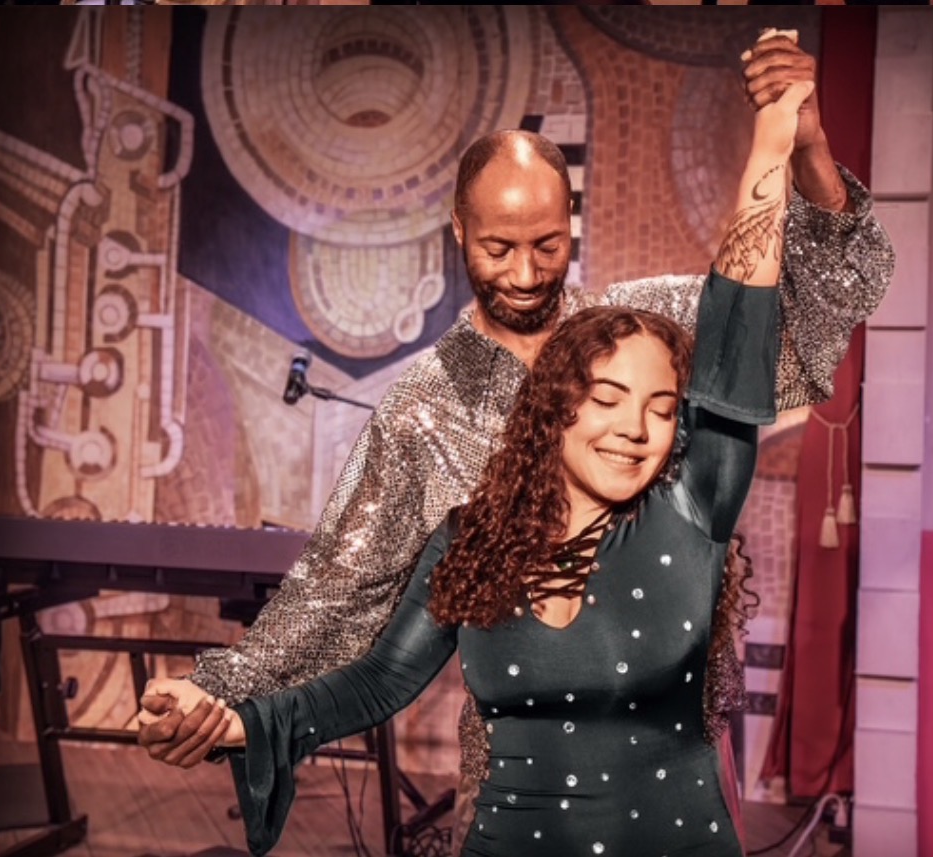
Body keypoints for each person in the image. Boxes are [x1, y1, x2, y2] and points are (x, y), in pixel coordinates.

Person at [137, 28, 894, 849]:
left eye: (547, 245)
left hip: (670, 745)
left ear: (572, 224)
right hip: (517, 759)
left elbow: (802, 300)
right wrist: (223, 696)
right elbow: (336, 596)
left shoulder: (647, 329)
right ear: (457, 232)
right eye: (499, 248)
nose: (528, 273)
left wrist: (803, 144)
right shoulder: (425, 409)